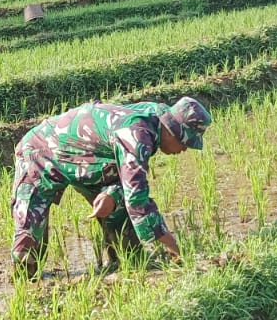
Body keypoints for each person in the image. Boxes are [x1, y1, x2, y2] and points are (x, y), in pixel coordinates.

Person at [11, 96, 212, 277]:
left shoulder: (155, 119)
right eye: (185, 142)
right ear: (174, 130)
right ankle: (26, 287)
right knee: (29, 236)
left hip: (89, 162)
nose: (185, 149)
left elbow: (125, 173)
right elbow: (137, 200)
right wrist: (176, 249)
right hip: (40, 153)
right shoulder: (138, 133)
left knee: (125, 235)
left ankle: (120, 266)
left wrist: (112, 194)